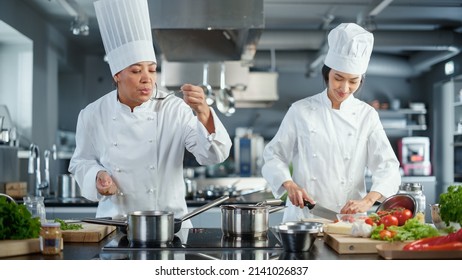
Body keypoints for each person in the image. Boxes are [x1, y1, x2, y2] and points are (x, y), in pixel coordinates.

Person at [68, 0, 232, 228]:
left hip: (168, 226)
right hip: (114, 225)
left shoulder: (174, 108)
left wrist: (203, 112)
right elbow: (81, 162)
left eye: (152, 69)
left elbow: (214, 156)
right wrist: (97, 177)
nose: (147, 78)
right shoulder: (93, 114)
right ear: (117, 74)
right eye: (136, 71)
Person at [261, 23, 401, 222]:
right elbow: (273, 155)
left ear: (361, 80)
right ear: (327, 73)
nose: (344, 88)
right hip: (304, 217)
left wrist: (368, 201)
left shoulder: (367, 115)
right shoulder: (300, 110)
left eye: (353, 81)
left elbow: (387, 166)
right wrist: (289, 185)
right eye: (338, 78)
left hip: (349, 219)